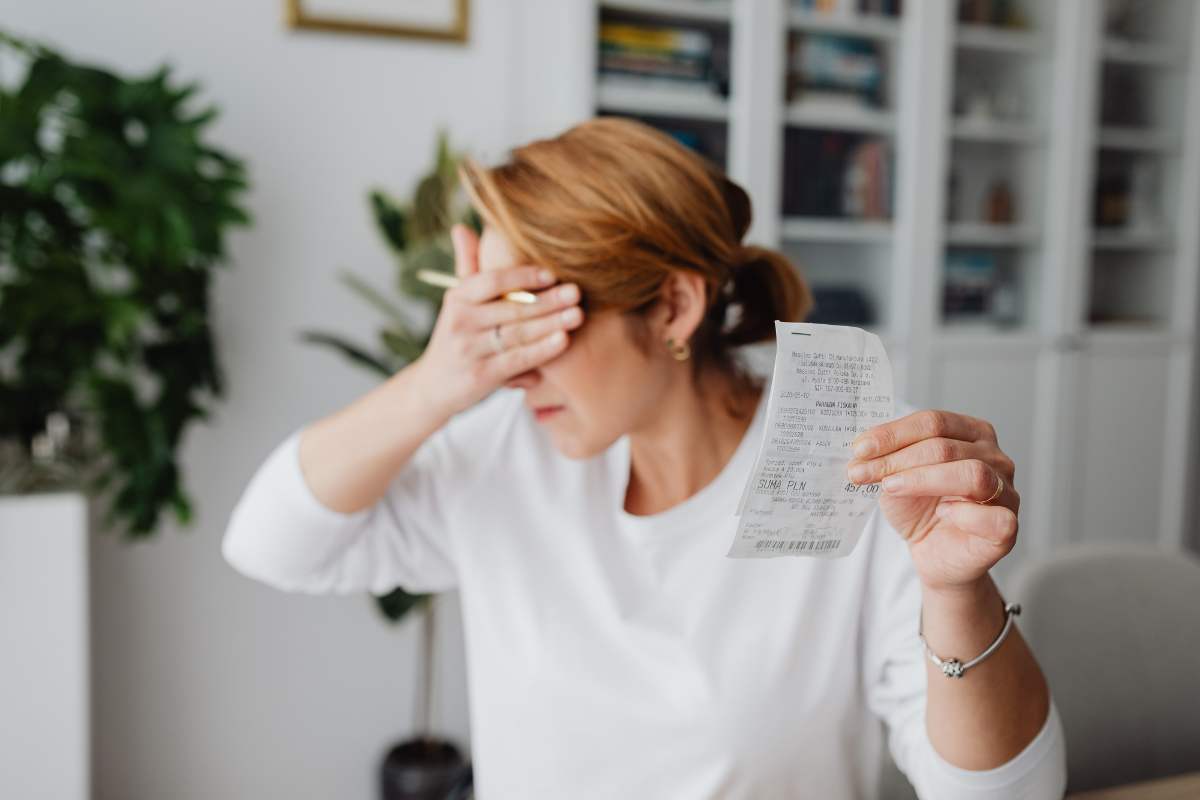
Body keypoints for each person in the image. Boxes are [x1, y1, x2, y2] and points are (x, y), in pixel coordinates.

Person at [222, 117, 1066, 798]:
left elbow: (1007, 797)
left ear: (671, 305)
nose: (512, 367)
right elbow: (269, 545)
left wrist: (958, 592)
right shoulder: (506, 454)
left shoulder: (854, 472)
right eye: (491, 325)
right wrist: (435, 384)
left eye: (532, 317)